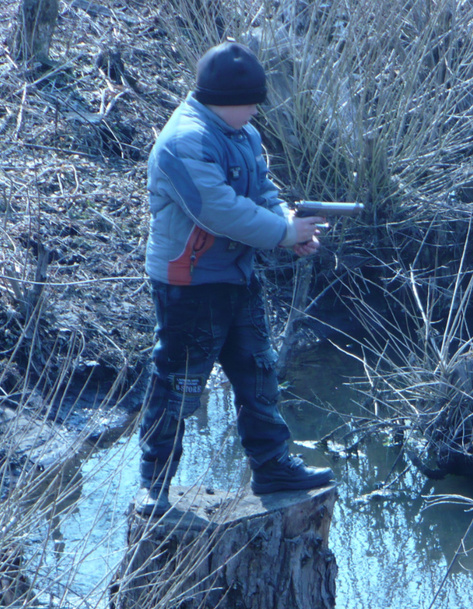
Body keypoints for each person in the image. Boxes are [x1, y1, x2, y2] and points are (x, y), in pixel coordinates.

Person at [137, 40, 334, 517]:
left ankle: (273, 466)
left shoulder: (240, 133)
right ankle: (154, 486)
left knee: (257, 373)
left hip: (235, 276)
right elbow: (218, 211)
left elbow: (262, 190)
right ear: (227, 98)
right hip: (189, 284)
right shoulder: (185, 142)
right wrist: (284, 232)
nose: (256, 111)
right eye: (252, 102)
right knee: (179, 385)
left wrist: (289, 229)